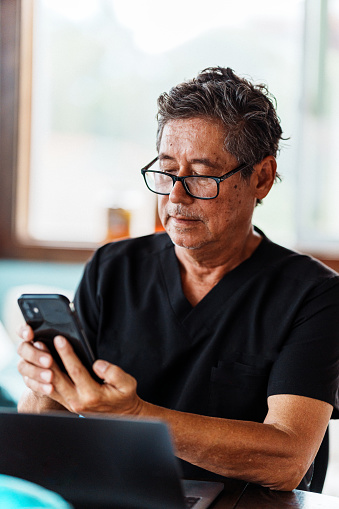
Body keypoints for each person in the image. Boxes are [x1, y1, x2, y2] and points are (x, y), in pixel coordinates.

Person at [17, 67, 339, 493]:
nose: (174, 197)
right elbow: (42, 438)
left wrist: (135, 415)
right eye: (167, 171)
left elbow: (288, 460)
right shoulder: (113, 268)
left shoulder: (314, 296)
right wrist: (46, 384)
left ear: (261, 178)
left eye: (202, 175)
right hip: (119, 496)